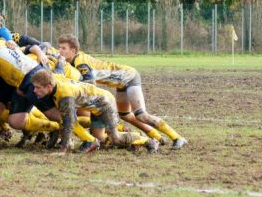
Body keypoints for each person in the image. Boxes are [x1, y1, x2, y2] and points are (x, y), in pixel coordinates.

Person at [57, 34, 188, 150]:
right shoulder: (74, 61)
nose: (60, 51)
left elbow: (90, 86)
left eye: (63, 48)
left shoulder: (80, 63)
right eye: (59, 47)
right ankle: (155, 136)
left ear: (73, 50)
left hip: (129, 77)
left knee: (141, 115)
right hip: (121, 83)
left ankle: (177, 137)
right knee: (125, 114)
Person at [30, 70, 159, 154]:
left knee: (116, 139)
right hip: (95, 106)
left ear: (48, 87)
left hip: (105, 104)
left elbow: (68, 124)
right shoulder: (54, 80)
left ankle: (148, 141)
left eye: (37, 87)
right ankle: (132, 139)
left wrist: (63, 150)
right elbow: (56, 71)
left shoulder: (64, 95)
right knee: (100, 139)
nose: (34, 91)